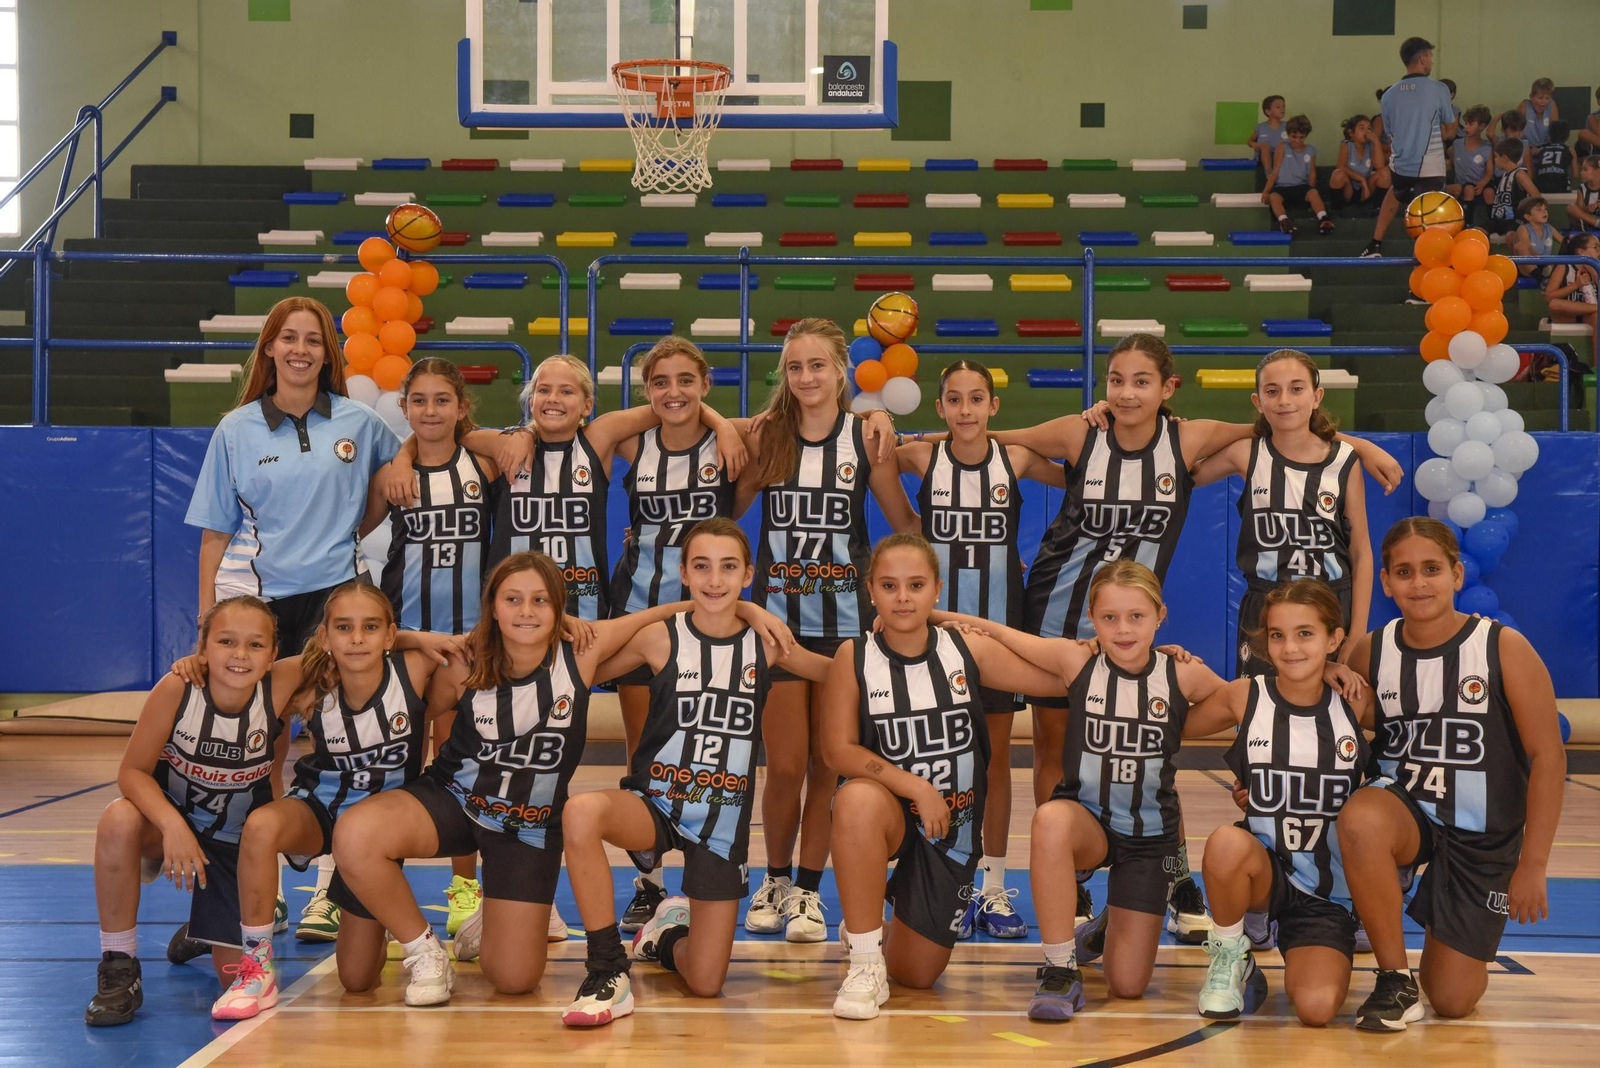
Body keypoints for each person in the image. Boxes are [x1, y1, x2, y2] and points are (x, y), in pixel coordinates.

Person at [988, 334, 1401, 945]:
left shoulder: (1193, 440)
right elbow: (990, 439)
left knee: (1163, 748)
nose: (1127, 392)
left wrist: (1359, 444)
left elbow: (1280, 431)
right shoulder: (1088, 435)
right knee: (1061, 748)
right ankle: (1078, 881)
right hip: (1061, 608)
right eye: (1116, 380)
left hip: (1142, 620)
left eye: (1141, 381)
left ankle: (1188, 881)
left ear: (1168, 387)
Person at [379, 352, 744, 936]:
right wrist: (406, 454)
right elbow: (444, 431)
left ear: (587, 403)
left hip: (581, 628)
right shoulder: (502, 447)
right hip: (512, 631)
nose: (554, 399)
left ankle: (560, 886)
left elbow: (670, 407)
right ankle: (483, 890)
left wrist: (722, 424)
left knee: (558, 757)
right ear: (529, 400)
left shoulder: (598, 439)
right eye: (543, 390)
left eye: (567, 391)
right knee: (494, 757)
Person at [333, 552, 786, 1006]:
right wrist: (412, 637)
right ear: (493, 606)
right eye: (513, 599)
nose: (526, 611)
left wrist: (748, 609)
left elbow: (672, 611)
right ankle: (424, 948)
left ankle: (491, 923)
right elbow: (391, 684)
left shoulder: (583, 651)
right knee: (356, 846)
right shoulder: (463, 660)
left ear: (559, 609)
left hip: (527, 828)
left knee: (513, 979)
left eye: (540, 600)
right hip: (454, 800)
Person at [183, 296, 398, 942]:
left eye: (314, 339)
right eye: (290, 338)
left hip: (340, 601)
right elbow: (214, 535)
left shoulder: (360, 422)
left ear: (328, 352)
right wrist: (207, 623)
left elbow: (400, 475)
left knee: (344, 743)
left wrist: (347, 534)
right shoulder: (236, 429)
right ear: (270, 348)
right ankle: (267, 889)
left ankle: (333, 886)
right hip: (263, 605)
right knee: (263, 748)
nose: (301, 350)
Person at [935, 561, 1230, 1021]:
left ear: (1160, 616)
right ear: (1091, 619)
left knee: (1127, 985)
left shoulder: (1183, 674)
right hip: (1087, 823)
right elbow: (1003, 636)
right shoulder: (1077, 660)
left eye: (1137, 617)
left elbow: (1244, 703)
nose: (1123, 629)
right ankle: (1060, 968)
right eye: (1109, 617)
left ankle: (1107, 925)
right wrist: (929, 617)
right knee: (1050, 818)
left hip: (1149, 841)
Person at [559, 520, 827, 1026]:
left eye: (728, 567)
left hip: (720, 827)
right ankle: (607, 965)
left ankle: (664, 935)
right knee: (581, 812)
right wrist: (671, 609)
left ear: (748, 574)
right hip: (656, 805)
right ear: (683, 573)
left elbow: (839, 673)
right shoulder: (659, 638)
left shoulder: (767, 644)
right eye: (701, 567)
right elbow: (582, 670)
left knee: (705, 983)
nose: (714, 580)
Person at [819, 534, 1076, 1021]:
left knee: (917, 974)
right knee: (856, 800)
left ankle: (870, 925)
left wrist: (976, 625)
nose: (903, 597)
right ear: (870, 591)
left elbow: (1064, 675)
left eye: (916, 586)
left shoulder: (964, 648)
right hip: (893, 814)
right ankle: (865, 963)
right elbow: (837, 750)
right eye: (889, 586)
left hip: (950, 832)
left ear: (937, 590)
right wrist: (915, 787)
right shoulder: (855, 656)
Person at [168, 583, 451, 1018]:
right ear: (325, 636)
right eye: (344, 627)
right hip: (318, 809)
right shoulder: (309, 682)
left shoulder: (413, 670)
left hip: (377, 833)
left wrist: (421, 638)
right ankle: (256, 966)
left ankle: (382, 912)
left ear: (390, 635)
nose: (357, 638)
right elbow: (239, 673)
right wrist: (198, 663)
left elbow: (475, 655)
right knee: (261, 825)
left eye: (370, 627)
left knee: (358, 979)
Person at [1337, 517, 1564, 1030]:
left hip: (1481, 835)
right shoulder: (1372, 650)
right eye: (1404, 572)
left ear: (1456, 575)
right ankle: (1394, 978)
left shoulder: (1503, 647)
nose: (1419, 583)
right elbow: (1339, 723)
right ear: (1387, 582)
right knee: (1362, 819)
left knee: (1453, 998)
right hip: (1405, 812)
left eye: (1432, 569)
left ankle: (1442, 928)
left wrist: (1533, 864)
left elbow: (1549, 757)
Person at [730, 319, 904, 944]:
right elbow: (728, 509)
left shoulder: (865, 438)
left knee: (829, 765)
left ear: (840, 371)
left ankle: (808, 890)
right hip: (776, 624)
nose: (806, 377)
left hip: (846, 626)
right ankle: (775, 879)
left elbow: (903, 521)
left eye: (817, 365)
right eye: (795, 367)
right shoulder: (768, 436)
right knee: (783, 766)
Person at [894, 359, 1067, 939]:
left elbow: (1083, 476)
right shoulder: (923, 458)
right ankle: (928, 875)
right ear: (939, 407)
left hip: (996, 635)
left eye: (976, 399)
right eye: (954, 399)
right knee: (927, 757)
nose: (965, 409)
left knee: (992, 762)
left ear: (994, 406)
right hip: (931, 637)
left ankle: (990, 887)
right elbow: (867, 457)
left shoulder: (1015, 459)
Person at [85, 597, 285, 1026]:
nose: (239, 654)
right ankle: (119, 967)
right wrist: (173, 826)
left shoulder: (281, 688)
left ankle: (205, 931)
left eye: (255, 644)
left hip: (235, 843)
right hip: (173, 823)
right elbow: (131, 772)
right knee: (118, 818)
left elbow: (351, 645)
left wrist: (412, 637)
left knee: (233, 980)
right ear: (202, 647)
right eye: (226, 641)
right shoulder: (178, 689)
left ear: (273, 655)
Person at [1185, 580, 1374, 1025]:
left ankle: (1283, 937)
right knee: (1225, 843)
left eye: (1305, 634)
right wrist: (1161, 662)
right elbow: (1167, 724)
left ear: (1334, 638)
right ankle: (1232, 953)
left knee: (1316, 1009)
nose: (1289, 648)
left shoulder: (1355, 700)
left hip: (1327, 893)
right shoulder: (1245, 695)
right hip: (1265, 872)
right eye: (1277, 635)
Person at [1192, 349, 1373, 676]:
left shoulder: (1345, 460)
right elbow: (1181, 476)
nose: (1284, 400)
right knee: (1260, 702)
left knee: (1327, 703)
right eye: (1272, 391)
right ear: (1258, 401)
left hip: (1330, 603)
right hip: (1266, 603)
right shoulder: (1245, 453)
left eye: (1297, 388)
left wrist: (1357, 633)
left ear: (1316, 396)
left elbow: (1361, 552)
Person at [1361, 37, 1457, 257]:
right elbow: (1451, 129)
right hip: (1430, 167)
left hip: (1400, 166)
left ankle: (1375, 244)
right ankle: (1423, 268)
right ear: (1422, 59)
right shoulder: (1439, 89)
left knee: (1396, 193)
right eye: (1430, 57)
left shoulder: (1389, 95)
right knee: (1428, 220)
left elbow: (1390, 132)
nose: (1432, 61)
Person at [1263, 115, 1334, 235]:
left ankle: (1324, 219)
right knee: (1274, 197)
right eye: (1293, 136)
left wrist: (1311, 189)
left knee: (1313, 193)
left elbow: (1312, 173)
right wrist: (1266, 191)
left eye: (1301, 137)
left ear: (1306, 136)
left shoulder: (1310, 150)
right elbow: (1275, 170)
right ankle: (1284, 221)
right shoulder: (1283, 146)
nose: (1297, 140)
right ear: (1288, 134)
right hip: (1282, 187)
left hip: (1301, 186)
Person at [1329, 115, 1390, 211]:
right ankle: (1335, 211)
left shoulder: (1371, 146)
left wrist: (1376, 142)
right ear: (1351, 133)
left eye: (1369, 129)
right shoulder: (1347, 145)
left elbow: (1380, 166)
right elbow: (1341, 167)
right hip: (1349, 189)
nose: (1366, 132)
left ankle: (1378, 209)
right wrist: (1361, 179)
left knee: (1385, 172)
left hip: (1366, 190)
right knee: (1337, 174)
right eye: (1362, 128)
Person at [1448, 106, 1495, 226]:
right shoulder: (1457, 144)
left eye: (1471, 124)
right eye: (1466, 123)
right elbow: (1450, 165)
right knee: (1468, 189)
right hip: (1463, 184)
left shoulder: (1487, 147)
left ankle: (1493, 222)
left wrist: (1482, 183)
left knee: (1489, 192)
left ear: (1481, 126)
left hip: (1479, 184)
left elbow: (1489, 171)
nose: (1466, 127)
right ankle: (1467, 223)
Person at [1544, 232, 1599, 330]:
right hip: (1566, 315)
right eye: (1596, 247)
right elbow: (1549, 297)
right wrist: (1576, 285)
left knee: (1597, 318)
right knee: (1555, 304)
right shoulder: (1564, 267)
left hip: (1590, 313)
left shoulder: (1597, 267)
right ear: (1581, 251)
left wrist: (1595, 275)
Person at [1488, 138, 1538, 238]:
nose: (1494, 160)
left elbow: (1536, 196)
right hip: (1499, 218)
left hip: (1514, 218)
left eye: (1496, 157)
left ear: (1504, 158)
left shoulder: (1520, 174)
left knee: (1511, 236)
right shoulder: (1504, 175)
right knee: (1478, 231)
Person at [1249, 95, 1287, 192]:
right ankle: (1269, 173)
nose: (1282, 109)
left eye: (1283, 106)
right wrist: (1254, 144)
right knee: (1265, 146)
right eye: (1278, 107)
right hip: (1265, 158)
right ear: (1268, 111)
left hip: (1281, 157)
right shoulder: (1261, 127)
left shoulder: (1287, 126)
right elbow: (1250, 141)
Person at [1512, 196, 1560, 266]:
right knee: (1520, 246)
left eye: (1545, 209)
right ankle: (1536, 272)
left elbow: (1563, 240)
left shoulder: (1549, 228)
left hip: (1546, 265)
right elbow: (1528, 249)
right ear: (1528, 216)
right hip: (1530, 265)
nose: (1544, 211)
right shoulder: (1524, 229)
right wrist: (1540, 260)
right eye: (1539, 209)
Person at [1533, 121, 1575, 194]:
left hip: (1541, 187)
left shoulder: (1541, 150)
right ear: (1567, 137)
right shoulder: (1570, 150)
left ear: (1549, 136)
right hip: (1561, 187)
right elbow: (1575, 174)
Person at [1520, 77, 1559, 149]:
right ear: (1531, 97)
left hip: (1546, 148)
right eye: (1540, 98)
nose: (1543, 102)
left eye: (1547, 98)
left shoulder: (1552, 105)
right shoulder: (1524, 105)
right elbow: (1516, 131)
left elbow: (1555, 133)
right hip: (1526, 147)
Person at [1569, 155, 1600, 232]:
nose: (1581, 172)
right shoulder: (1582, 188)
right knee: (1571, 207)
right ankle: (1597, 223)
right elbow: (1579, 209)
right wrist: (1588, 208)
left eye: (1585, 170)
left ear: (1597, 172)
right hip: (1589, 223)